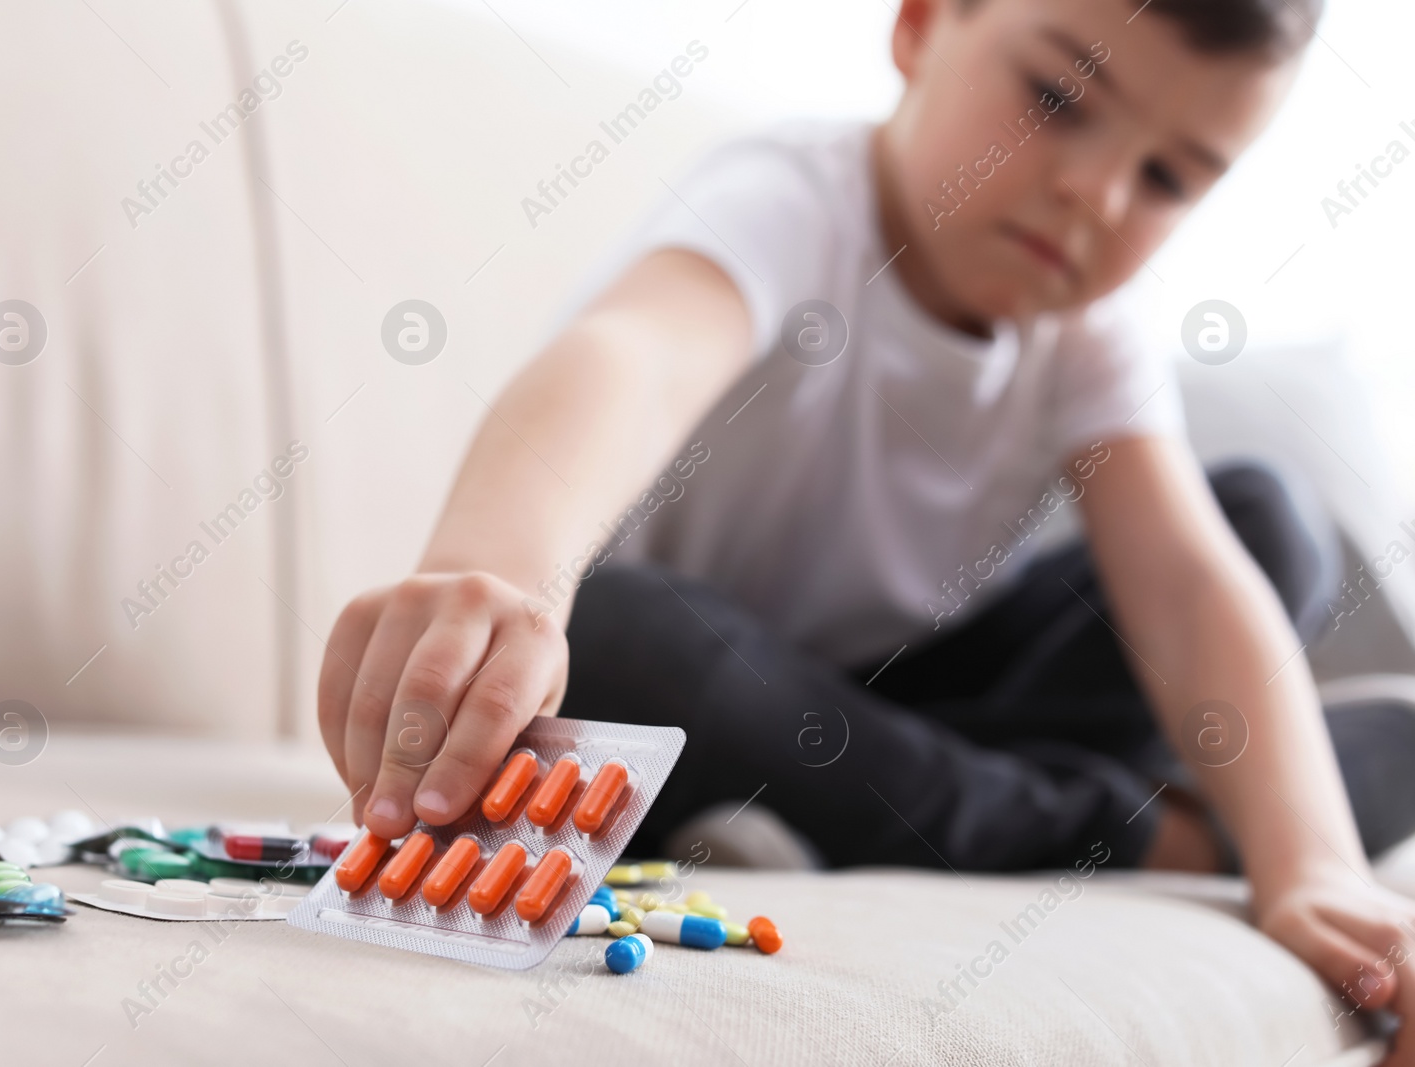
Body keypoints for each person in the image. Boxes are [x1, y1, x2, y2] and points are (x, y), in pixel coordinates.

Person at [319, 0, 1415, 1053]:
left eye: (1168, 176)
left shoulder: (1083, 328)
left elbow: (1182, 582)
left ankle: (906, 819)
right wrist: (494, 576)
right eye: (1056, 99)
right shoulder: (795, 198)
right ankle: (1146, 830)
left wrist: (1312, 864)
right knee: (622, 633)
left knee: (1269, 523)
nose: (1093, 191)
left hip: (911, 714)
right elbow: (635, 357)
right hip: (721, 700)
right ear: (921, 21)